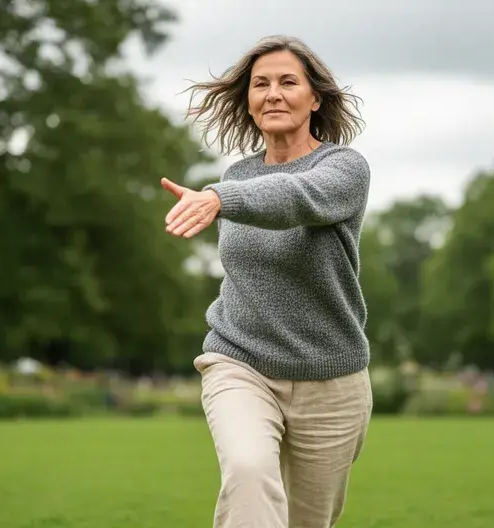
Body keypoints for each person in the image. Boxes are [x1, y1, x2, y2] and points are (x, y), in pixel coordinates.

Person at [160, 35, 373, 528]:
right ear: (249, 100)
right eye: (261, 84)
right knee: (248, 471)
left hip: (331, 378)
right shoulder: (236, 176)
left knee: (307, 521)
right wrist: (224, 193)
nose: (273, 93)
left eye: (287, 82)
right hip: (240, 363)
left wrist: (221, 198)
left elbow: (297, 196)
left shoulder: (344, 169)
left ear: (315, 98)